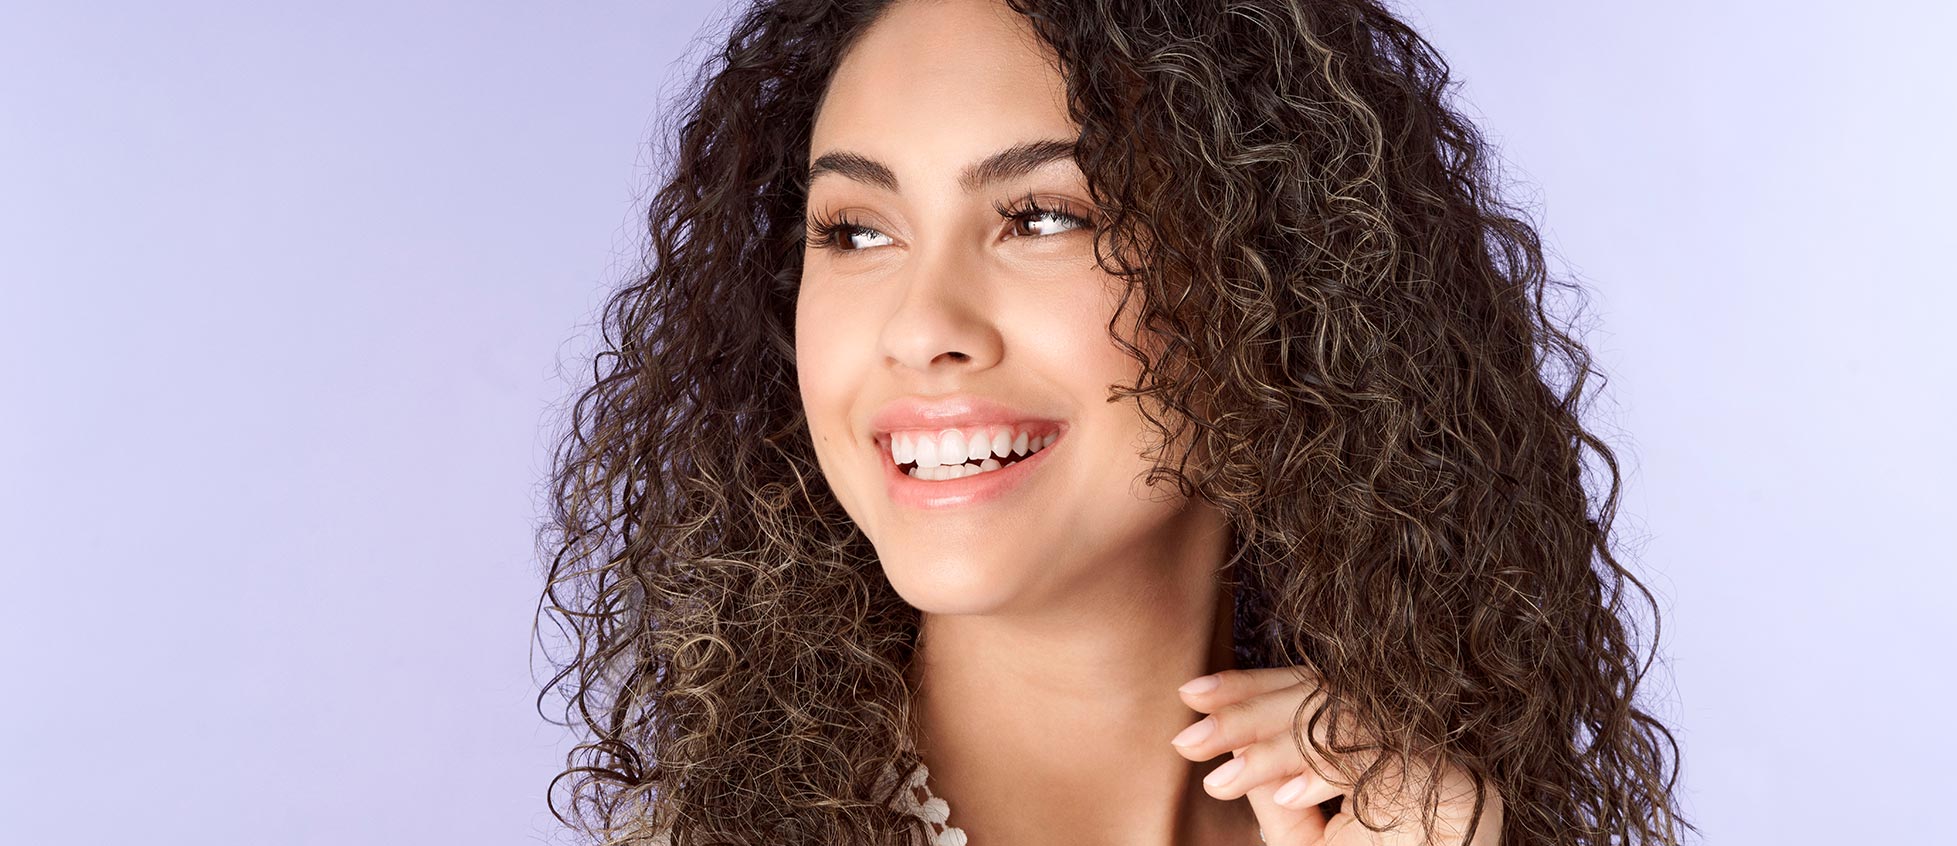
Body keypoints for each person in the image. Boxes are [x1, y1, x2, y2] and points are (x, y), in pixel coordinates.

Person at [536, 1, 1694, 844]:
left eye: (1041, 217)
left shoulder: (1435, 825)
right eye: (853, 231)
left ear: (1274, 278)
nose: (920, 325)